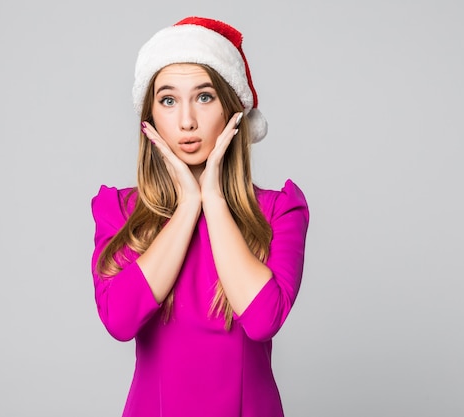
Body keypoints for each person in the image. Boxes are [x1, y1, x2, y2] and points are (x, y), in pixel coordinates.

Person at [91, 16, 309, 417]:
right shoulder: (119, 211)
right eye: (168, 100)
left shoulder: (280, 211)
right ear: (150, 115)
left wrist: (212, 196)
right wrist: (188, 206)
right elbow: (120, 321)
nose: (186, 121)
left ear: (232, 109)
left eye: (205, 97)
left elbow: (262, 320)